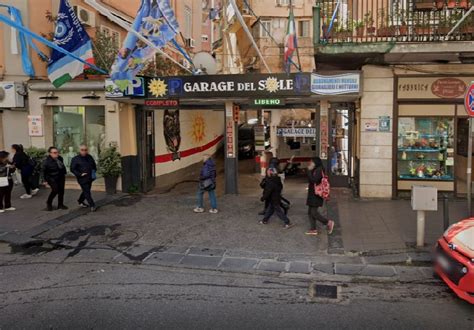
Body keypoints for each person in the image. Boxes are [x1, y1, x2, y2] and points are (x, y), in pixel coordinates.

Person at [306, 157, 334, 236]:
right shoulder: (315, 169)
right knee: (310, 212)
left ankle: (328, 222)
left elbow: (314, 180)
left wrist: (308, 171)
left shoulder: (319, 170)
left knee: (314, 212)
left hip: (316, 194)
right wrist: (310, 170)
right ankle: (313, 229)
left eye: (312, 161)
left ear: (316, 162)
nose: (310, 163)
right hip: (313, 193)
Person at [70, 145, 97, 212]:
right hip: (82, 178)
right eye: (82, 150)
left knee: (86, 191)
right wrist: (80, 174)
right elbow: (72, 169)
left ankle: (80, 201)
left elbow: (94, 165)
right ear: (79, 150)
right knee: (87, 191)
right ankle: (92, 205)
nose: (84, 151)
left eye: (85, 150)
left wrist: (94, 172)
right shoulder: (75, 159)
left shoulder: (89, 157)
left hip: (90, 177)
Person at [43, 147, 67, 211]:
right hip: (52, 178)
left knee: (61, 191)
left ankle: (60, 205)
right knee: (55, 190)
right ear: (50, 153)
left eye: (57, 152)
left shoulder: (60, 158)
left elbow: (62, 166)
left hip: (61, 177)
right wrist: (45, 180)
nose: (56, 154)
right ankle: (49, 202)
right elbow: (43, 171)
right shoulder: (47, 161)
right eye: (54, 152)